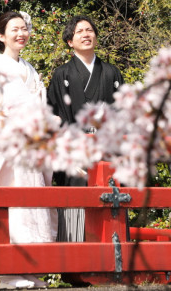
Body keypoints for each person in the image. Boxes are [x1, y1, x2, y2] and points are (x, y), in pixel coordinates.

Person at [0, 11, 56, 289]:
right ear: (1, 36)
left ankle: (29, 269)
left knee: (31, 206)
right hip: (9, 146)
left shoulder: (30, 69)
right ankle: (8, 273)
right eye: (14, 29)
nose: (21, 33)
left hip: (30, 147)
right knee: (11, 207)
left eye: (24, 29)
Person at [47, 15, 124, 243]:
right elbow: (54, 114)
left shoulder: (111, 73)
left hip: (106, 151)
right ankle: (75, 268)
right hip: (75, 153)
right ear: (70, 41)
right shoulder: (62, 75)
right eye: (79, 32)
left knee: (110, 202)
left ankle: (113, 262)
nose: (86, 35)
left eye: (89, 30)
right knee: (76, 205)